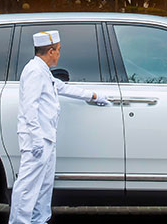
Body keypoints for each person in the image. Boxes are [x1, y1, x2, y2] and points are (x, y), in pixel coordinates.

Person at [9, 30, 108, 224]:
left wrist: (93, 96)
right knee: (28, 186)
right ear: (51, 50)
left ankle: (39, 220)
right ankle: (19, 222)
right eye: (59, 50)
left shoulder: (43, 71)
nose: (60, 54)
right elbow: (30, 108)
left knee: (44, 186)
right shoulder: (34, 71)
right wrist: (36, 139)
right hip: (36, 139)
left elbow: (62, 87)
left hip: (46, 138)